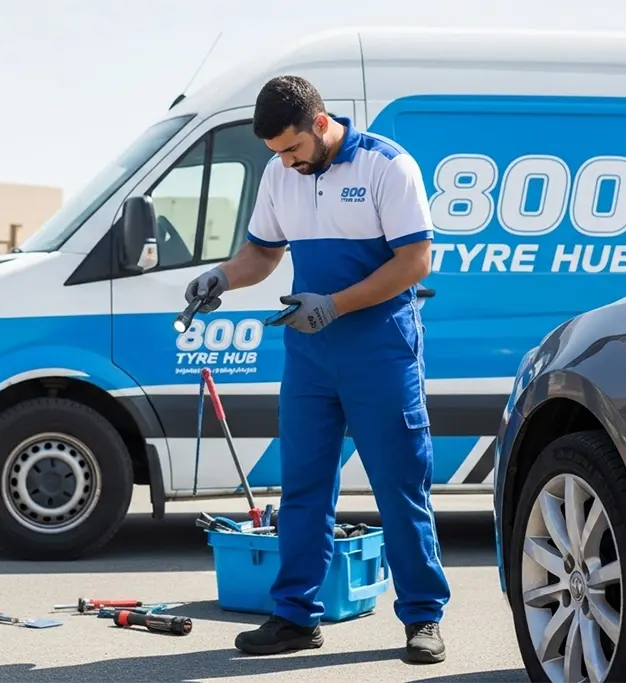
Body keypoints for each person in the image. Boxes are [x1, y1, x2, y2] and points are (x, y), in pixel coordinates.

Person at [184, 75, 451, 663]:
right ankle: (295, 617)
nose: (284, 161)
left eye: (291, 148)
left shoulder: (388, 166)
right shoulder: (281, 174)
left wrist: (334, 305)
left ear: (320, 123)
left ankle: (423, 618)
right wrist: (221, 279)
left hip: (380, 348)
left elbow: (414, 262)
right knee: (303, 486)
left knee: (400, 485)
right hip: (309, 354)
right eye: (275, 152)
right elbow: (262, 253)